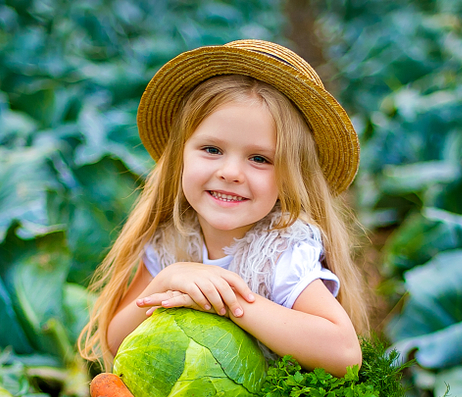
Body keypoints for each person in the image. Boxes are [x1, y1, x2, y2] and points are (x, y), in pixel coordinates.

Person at [79, 39, 369, 377]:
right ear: (180, 157)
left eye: (259, 159)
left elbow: (345, 353)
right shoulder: (172, 239)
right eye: (212, 149)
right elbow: (115, 340)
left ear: (290, 178)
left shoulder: (279, 252)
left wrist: (231, 302)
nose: (230, 173)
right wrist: (166, 281)